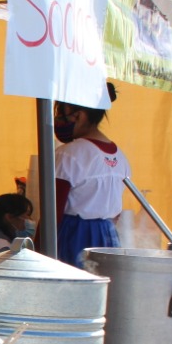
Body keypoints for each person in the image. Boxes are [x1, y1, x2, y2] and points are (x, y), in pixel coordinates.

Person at [53, 82, 131, 268]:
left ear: (78, 115)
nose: (58, 120)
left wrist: (39, 251)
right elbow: (116, 213)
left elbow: (53, 212)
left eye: (61, 114)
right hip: (108, 237)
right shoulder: (120, 157)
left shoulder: (69, 153)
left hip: (75, 236)